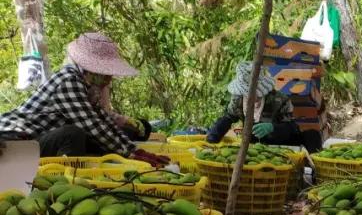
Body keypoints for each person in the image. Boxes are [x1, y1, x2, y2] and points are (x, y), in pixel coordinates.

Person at [0, 32, 167, 166]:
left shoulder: (85, 86)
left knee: (91, 137)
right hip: (14, 139)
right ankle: (62, 181)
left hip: (33, 140)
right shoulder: (69, 81)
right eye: (105, 73)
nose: (108, 79)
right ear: (91, 69)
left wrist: (135, 150)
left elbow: (103, 120)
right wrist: (128, 154)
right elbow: (92, 126)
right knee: (73, 134)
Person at [206, 61, 322, 152]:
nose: (251, 97)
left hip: (280, 141)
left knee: (312, 135)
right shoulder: (238, 99)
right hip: (255, 143)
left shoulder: (279, 99)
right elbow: (228, 118)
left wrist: (273, 128)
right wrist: (212, 138)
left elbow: (291, 127)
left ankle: (317, 169)